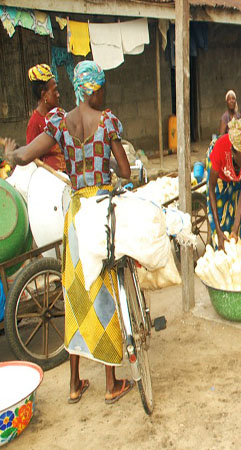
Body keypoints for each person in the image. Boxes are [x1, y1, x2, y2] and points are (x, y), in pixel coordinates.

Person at [3, 61, 133, 405]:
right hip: (99, 210)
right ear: (92, 89)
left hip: (75, 214)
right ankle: (111, 383)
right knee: (103, 291)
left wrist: (8, 154)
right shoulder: (106, 122)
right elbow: (124, 169)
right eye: (102, 88)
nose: (105, 93)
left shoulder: (60, 122)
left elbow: (27, 154)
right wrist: (101, 165)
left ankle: (74, 383)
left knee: (75, 292)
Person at [207, 118, 241, 250]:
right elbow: (211, 189)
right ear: (232, 151)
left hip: (236, 181)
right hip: (220, 178)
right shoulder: (220, 148)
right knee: (220, 218)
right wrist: (219, 231)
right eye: (240, 161)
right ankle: (216, 240)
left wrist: (235, 230)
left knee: (239, 227)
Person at [26, 64, 65, 171]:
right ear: (44, 95)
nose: (58, 95)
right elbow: (31, 158)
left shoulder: (59, 116)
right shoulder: (35, 122)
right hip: (52, 179)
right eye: (55, 91)